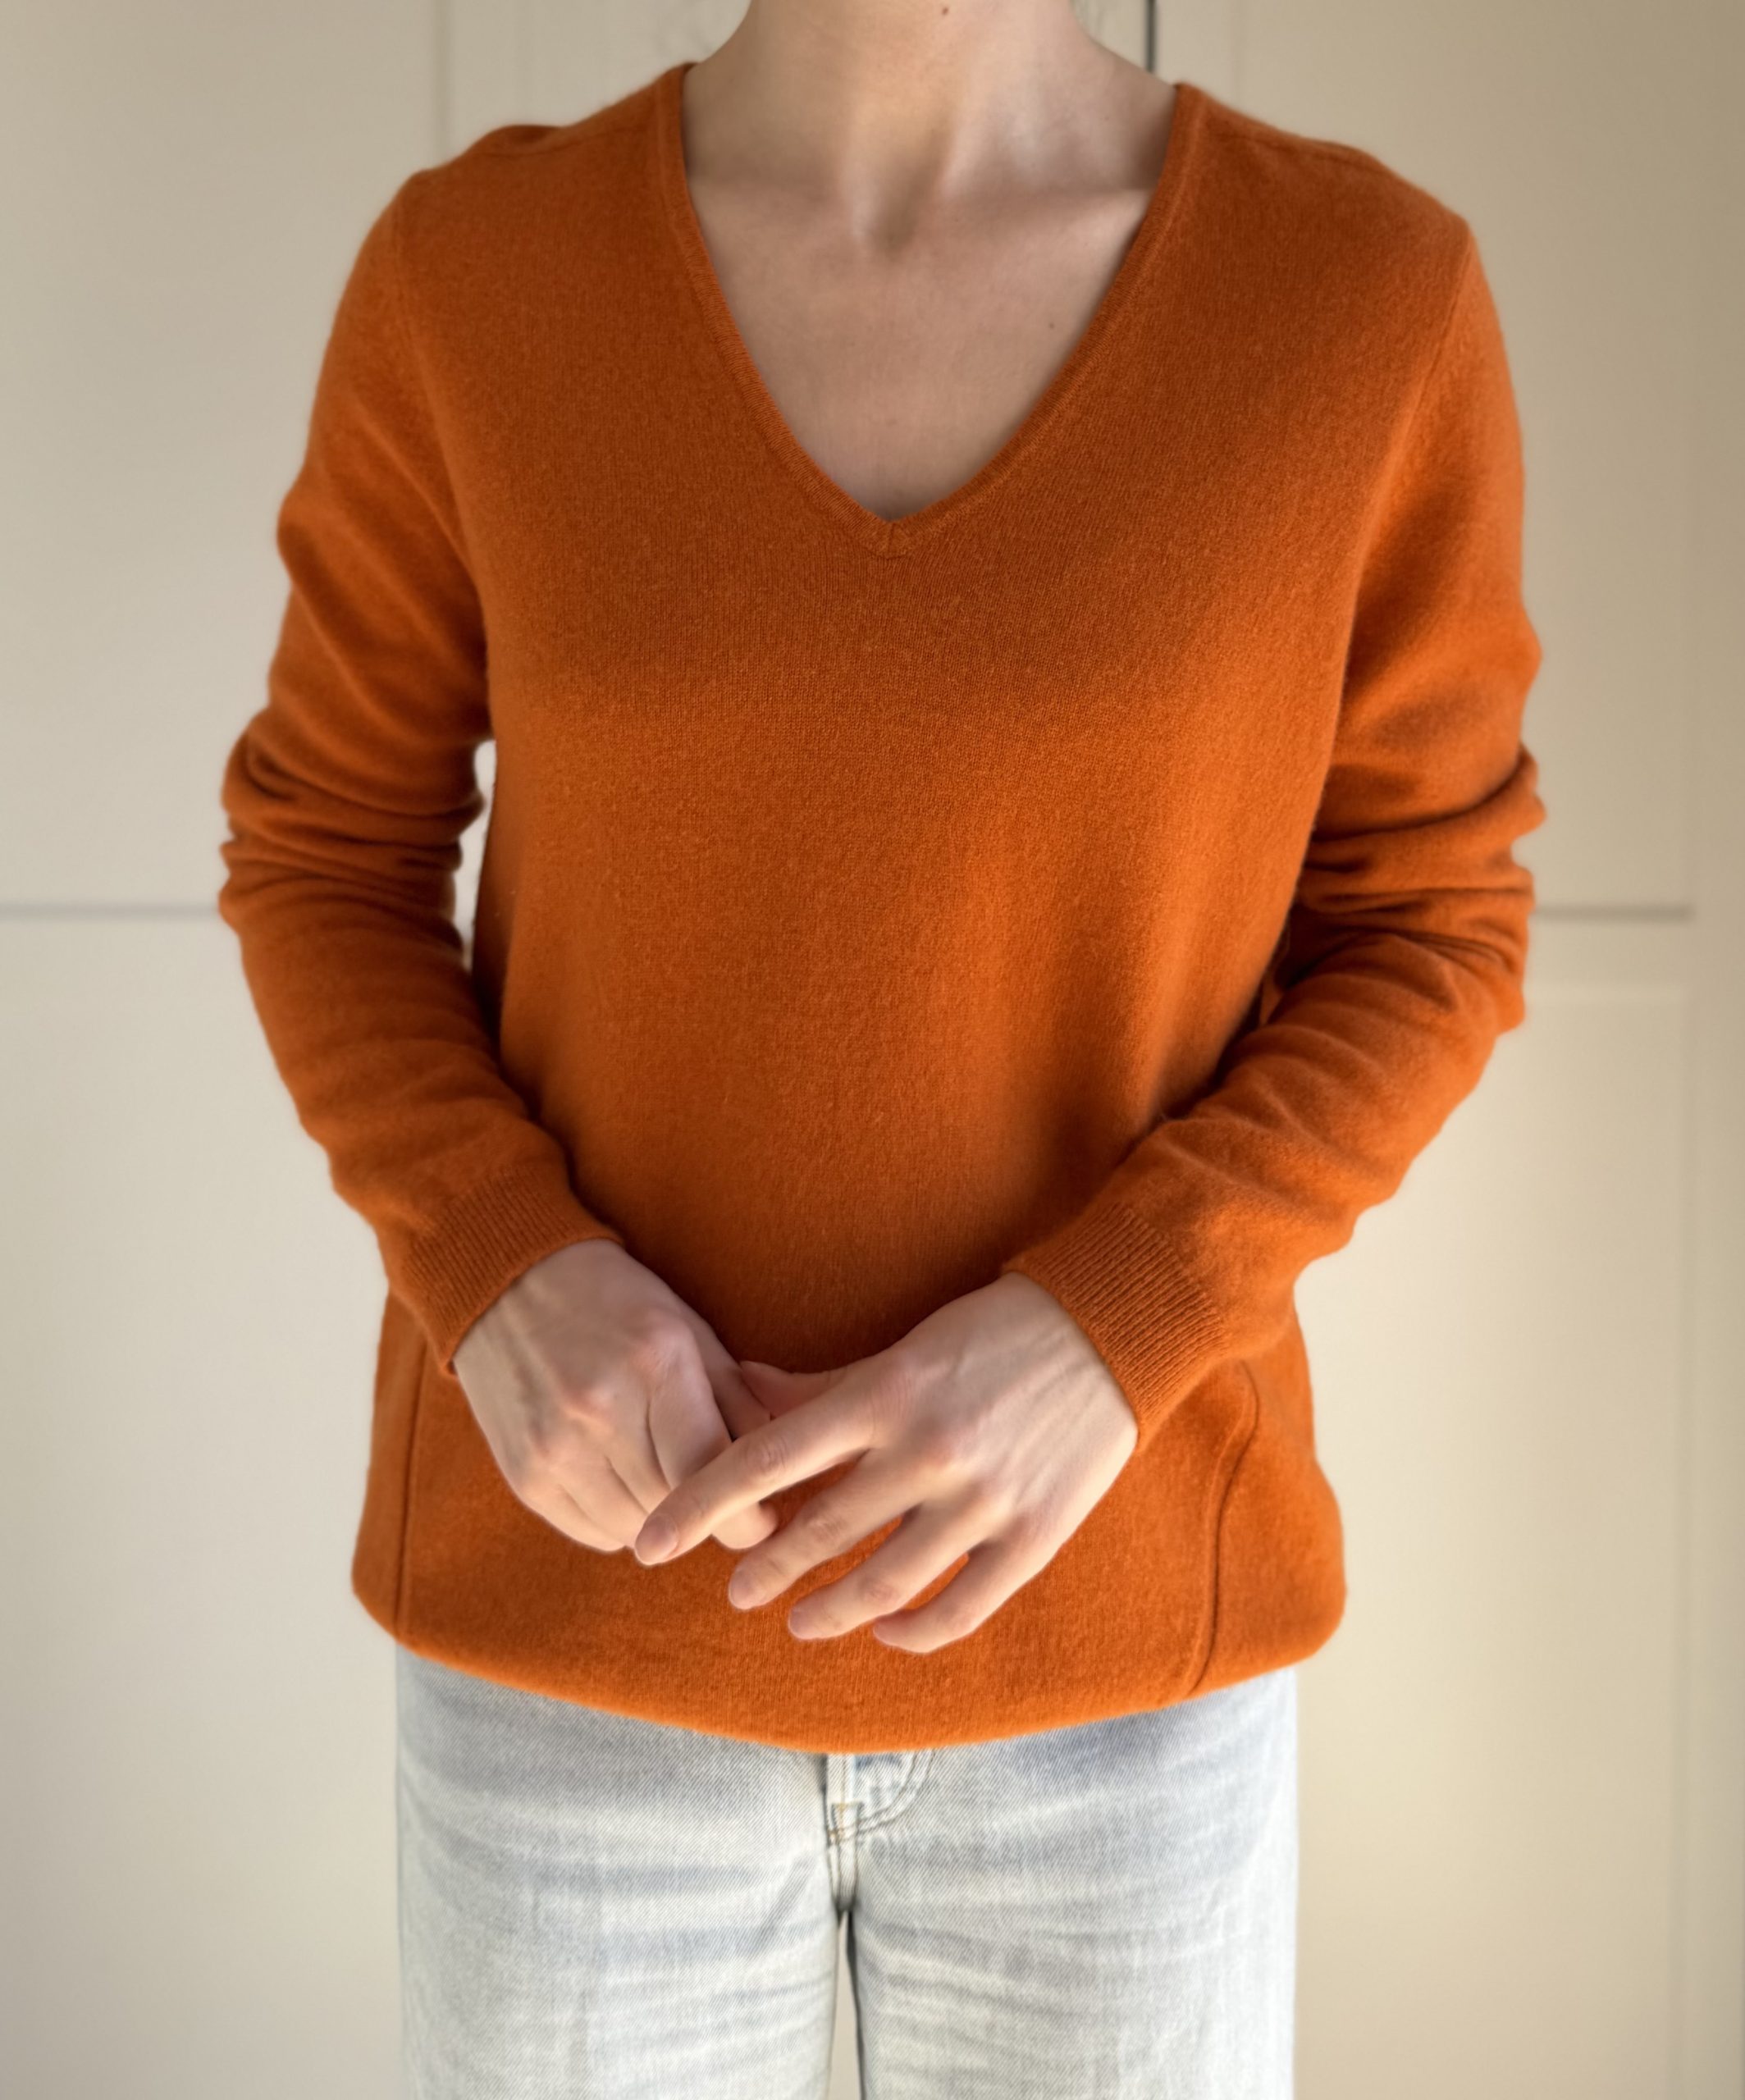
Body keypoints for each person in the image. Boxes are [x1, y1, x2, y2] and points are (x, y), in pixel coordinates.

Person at [215, 1, 1546, 2093]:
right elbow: (323, 851)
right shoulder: (471, 279)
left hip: (1121, 1693)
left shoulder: (1360, 300)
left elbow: (1430, 920)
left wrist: (1109, 1325)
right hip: (577, 1668)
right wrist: (493, 1259)